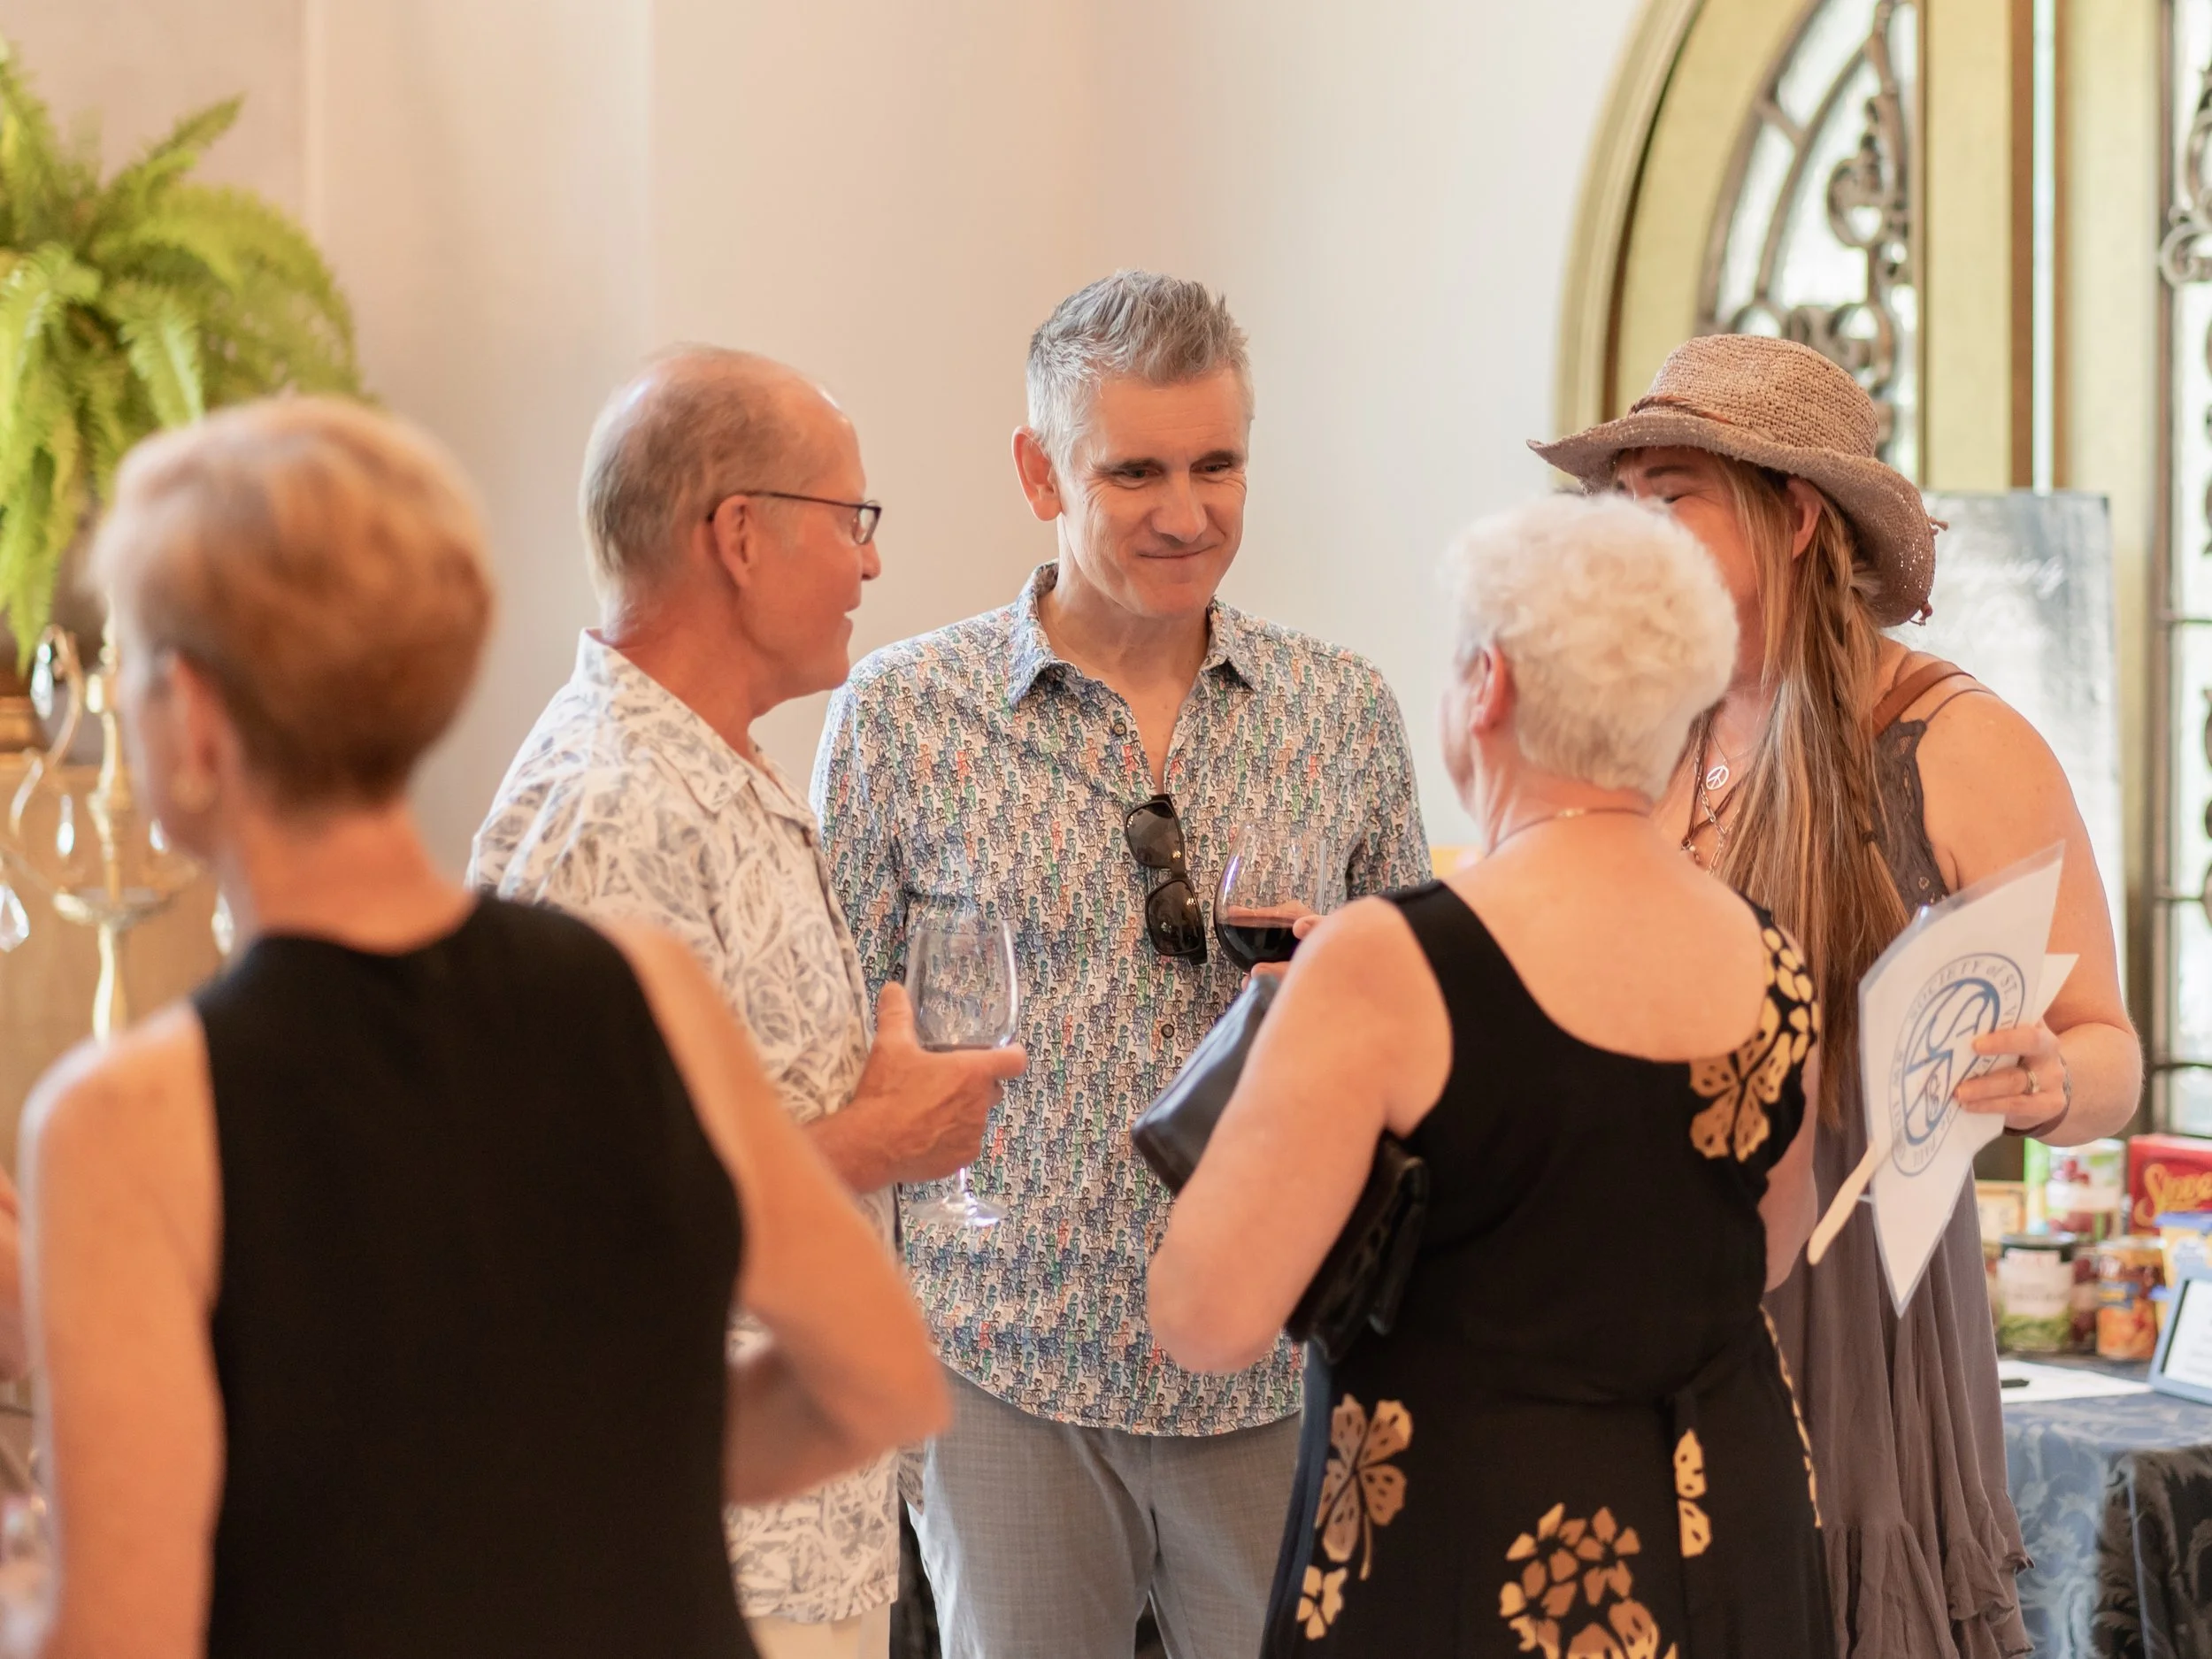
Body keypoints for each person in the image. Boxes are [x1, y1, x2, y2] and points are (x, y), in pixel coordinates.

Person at [20, 397, 948, 1659]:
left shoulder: (127, 1120)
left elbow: (125, 1635)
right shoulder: (644, 989)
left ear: (191, 717)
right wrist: (612, 1453)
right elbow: (882, 1376)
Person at [813, 270, 1431, 1659]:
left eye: (1218, 463)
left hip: (1274, 1367)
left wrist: (1352, 983)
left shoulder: (1343, 711)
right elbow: (838, 1043)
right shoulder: (904, 716)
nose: (1186, 510)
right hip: (999, 1370)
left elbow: (1426, 1038)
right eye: (1135, 469)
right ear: (1041, 471)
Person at [1533, 333, 2142, 1659]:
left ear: (1796, 515)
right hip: (1654, 1295)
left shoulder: (1958, 742)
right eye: (1621, 495)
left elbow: (2110, 1057)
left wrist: (2044, 1079)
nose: (1633, 531)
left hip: (1856, 1312)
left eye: (1670, 492)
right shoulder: (1650, 733)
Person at [1149, 492, 1830, 1656]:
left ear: (1489, 683)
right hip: (1727, 1524)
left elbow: (1205, 1318)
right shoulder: (1770, 956)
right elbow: (1765, 1247)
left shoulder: (1390, 956)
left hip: (1484, 1547)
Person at [470, 348, 1024, 1659]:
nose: (873, 564)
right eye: (854, 520)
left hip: (798, 1518)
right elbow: (572, 1227)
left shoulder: (714, 768)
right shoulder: (612, 807)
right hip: (689, 1533)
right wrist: (882, 1138)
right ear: (739, 536)